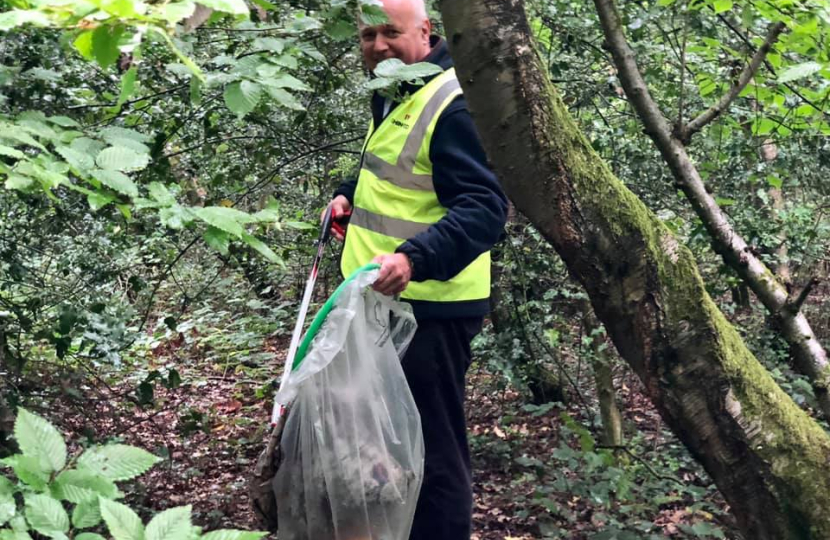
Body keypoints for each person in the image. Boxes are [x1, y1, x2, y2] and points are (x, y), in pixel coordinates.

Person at [323, 0, 508, 537]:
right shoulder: (397, 89)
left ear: (426, 32)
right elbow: (396, 174)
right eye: (367, 35)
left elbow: (484, 208)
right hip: (380, 307)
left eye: (391, 33)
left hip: (432, 311)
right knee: (386, 446)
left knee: (432, 453)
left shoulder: (454, 105)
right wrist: (345, 196)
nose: (378, 46)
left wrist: (414, 258)